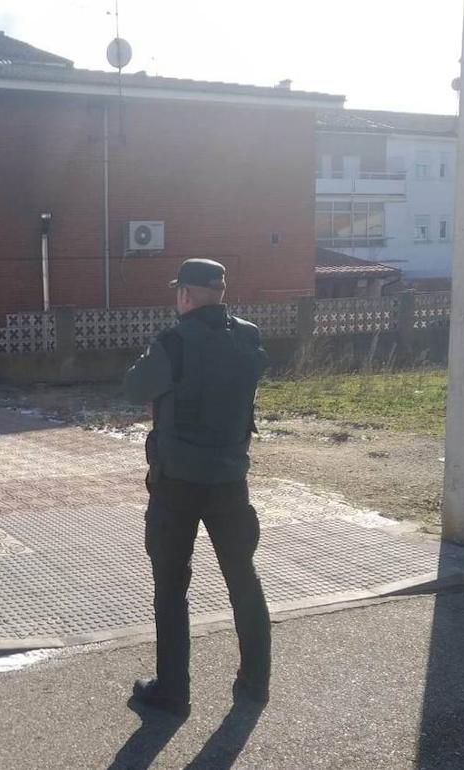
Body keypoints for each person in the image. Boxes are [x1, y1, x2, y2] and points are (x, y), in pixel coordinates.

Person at [123, 258, 272, 717]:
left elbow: (133, 387)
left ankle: (174, 691)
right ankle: (256, 679)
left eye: (178, 292)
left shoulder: (172, 342)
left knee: (171, 586)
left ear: (185, 294)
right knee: (242, 577)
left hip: (177, 483)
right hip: (230, 479)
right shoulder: (248, 337)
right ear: (221, 292)